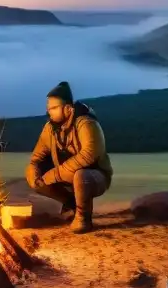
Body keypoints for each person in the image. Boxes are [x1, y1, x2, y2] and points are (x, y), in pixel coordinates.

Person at [25, 81, 113, 234]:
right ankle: (71, 204)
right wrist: (33, 169)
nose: (49, 112)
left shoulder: (86, 123)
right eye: (48, 108)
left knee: (81, 176)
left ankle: (83, 218)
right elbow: (37, 157)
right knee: (34, 176)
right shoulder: (49, 128)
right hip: (66, 176)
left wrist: (54, 174)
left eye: (53, 108)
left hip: (94, 177)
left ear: (67, 108)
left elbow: (89, 155)